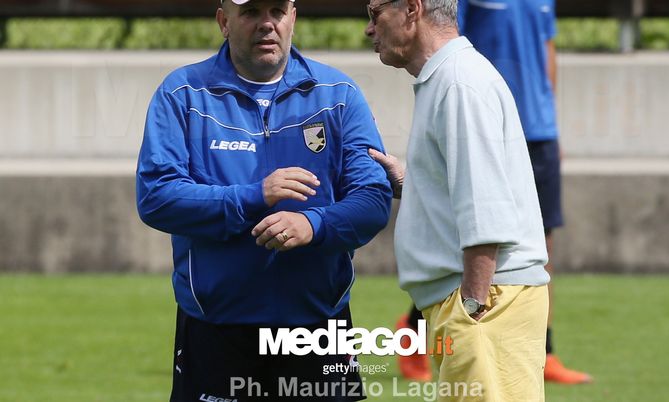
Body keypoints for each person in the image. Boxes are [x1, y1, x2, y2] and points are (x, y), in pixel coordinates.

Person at [136, 0, 392, 400]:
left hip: (319, 330)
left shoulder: (338, 95)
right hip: (218, 331)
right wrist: (254, 196)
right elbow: (156, 196)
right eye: (251, 12)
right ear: (224, 21)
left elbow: (373, 198)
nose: (266, 24)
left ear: (293, 17)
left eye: (276, 10)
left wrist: (313, 225)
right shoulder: (183, 94)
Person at [365, 0, 550, 400]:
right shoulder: (452, 77)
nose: (369, 29)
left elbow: (486, 206)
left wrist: (471, 306)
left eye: (374, 12)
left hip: (487, 302)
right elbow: (472, 185)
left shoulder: (458, 82)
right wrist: (412, 182)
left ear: (412, 10)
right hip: (485, 302)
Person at [458, 0, 591, 384]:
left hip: (540, 133)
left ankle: (544, 353)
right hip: (490, 128)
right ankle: (415, 332)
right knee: (471, 244)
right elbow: (451, 44)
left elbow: (547, 48)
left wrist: (551, 118)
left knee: (542, 247)